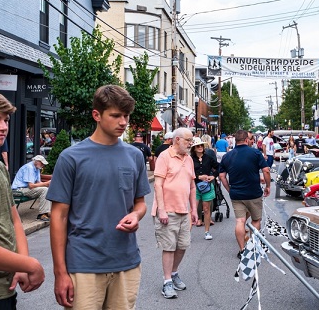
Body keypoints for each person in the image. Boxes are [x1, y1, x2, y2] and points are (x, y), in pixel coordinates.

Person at [47, 85, 151, 309]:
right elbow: (59, 216)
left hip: (127, 262)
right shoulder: (71, 157)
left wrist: (136, 214)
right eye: (115, 115)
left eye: (126, 115)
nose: (123, 122)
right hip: (83, 263)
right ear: (97, 115)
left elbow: (140, 203)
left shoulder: (134, 156)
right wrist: (60, 272)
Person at [0, 90, 45, 308]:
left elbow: (14, 221)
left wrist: (21, 264)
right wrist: (30, 264)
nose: (4, 126)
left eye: (5, 120)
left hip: (5, 288)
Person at [152, 127, 198, 299]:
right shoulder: (164, 156)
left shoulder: (189, 159)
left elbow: (192, 187)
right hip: (167, 210)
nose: (190, 143)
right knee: (169, 247)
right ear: (177, 139)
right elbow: (158, 185)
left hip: (184, 210)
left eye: (191, 141)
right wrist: (161, 210)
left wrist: (194, 209)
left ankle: (174, 272)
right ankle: (166, 282)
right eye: (188, 140)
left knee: (182, 245)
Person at [219, 130, 271, 259]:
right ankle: (252, 248)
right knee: (256, 220)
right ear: (247, 140)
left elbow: (222, 176)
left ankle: (242, 250)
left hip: (236, 194)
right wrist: (268, 186)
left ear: (235, 141)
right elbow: (266, 170)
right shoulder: (255, 153)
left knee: (240, 221)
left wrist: (229, 189)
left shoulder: (228, 156)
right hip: (254, 193)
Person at [190, 137, 219, 240]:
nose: (200, 147)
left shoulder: (208, 158)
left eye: (201, 145)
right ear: (194, 148)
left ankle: (207, 231)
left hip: (207, 186)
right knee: (193, 209)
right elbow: (187, 173)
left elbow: (219, 167)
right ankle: (187, 233)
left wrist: (213, 176)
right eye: (198, 146)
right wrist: (198, 177)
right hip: (194, 186)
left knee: (206, 209)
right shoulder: (190, 159)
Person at [11, 155, 52, 221]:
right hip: (19, 189)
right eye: (42, 163)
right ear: (36, 162)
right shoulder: (29, 168)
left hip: (26, 189)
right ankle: (42, 214)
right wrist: (45, 184)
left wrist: (46, 184)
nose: (43, 165)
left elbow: (38, 182)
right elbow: (31, 185)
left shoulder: (37, 168)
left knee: (47, 189)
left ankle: (47, 211)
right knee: (44, 190)